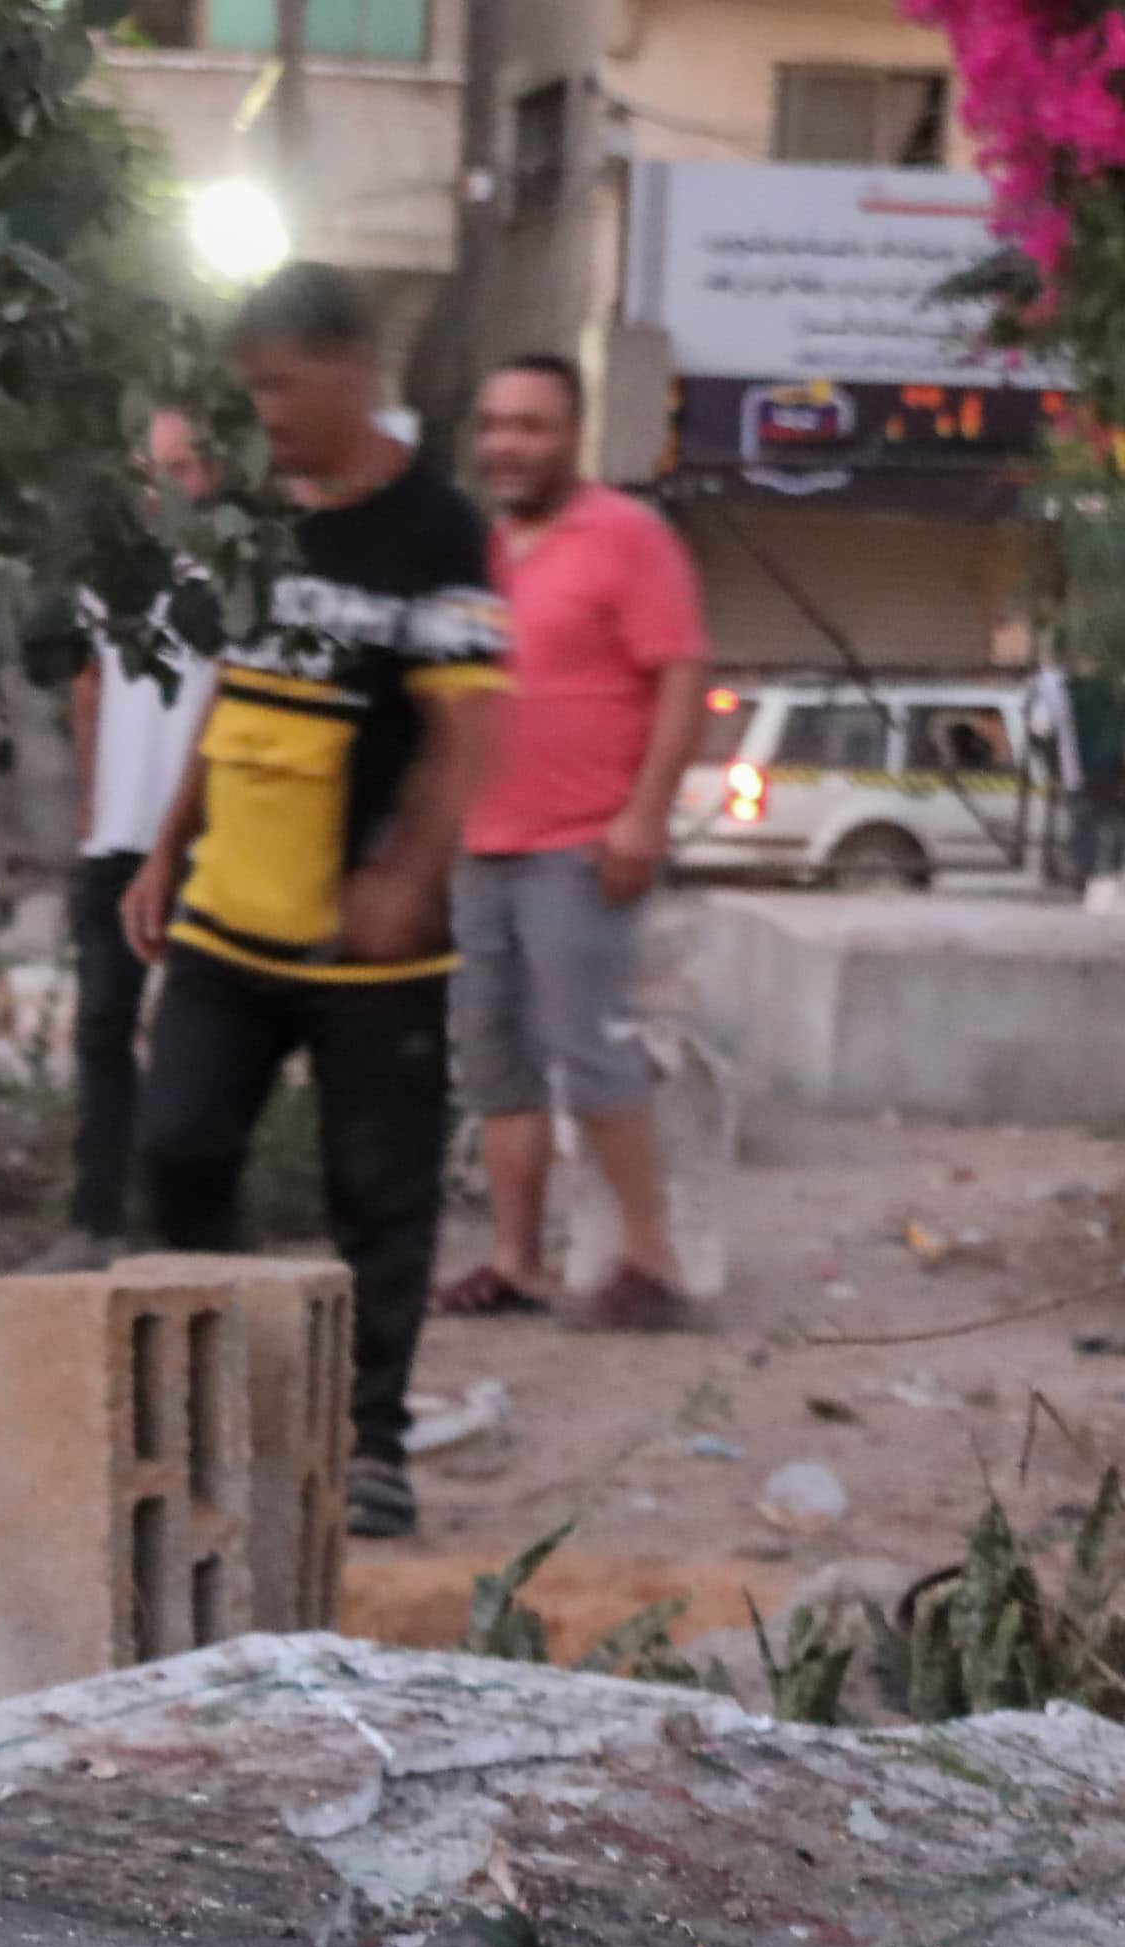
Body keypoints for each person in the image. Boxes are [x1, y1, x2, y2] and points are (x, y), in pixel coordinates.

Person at [130, 264, 507, 1538]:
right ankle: (200, 1417)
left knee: (378, 1196)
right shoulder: (248, 513)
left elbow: (464, 739)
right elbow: (227, 698)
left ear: (351, 368)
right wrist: (158, 849)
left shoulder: (438, 530)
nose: (265, 412)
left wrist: (406, 880)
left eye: (280, 386)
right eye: (249, 390)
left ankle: (370, 1443)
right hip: (225, 916)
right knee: (177, 1142)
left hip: (372, 948)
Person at [442, 350, 713, 1333]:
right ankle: (518, 1262)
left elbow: (681, 677)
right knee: (494, 1060)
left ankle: (653, 1258)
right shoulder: (479, 550)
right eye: (493, 425)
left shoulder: (628, 538)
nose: (506, 444)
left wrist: (645, 813)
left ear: (572, 433)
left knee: (586, 1049)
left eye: (530, 425)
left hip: (581, 843)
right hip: (479, 844)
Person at [61, 407, 221, 1264]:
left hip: (199, 840)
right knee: (101, 1031)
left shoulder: (231, 579)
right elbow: (89, 686)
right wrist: (92, 800)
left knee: (196, 1040)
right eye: (154, 469)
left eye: (185, 467)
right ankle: (96, 1221)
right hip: (116, 839)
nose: (169, 486)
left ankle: (188, 1227)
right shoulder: (111, 578)